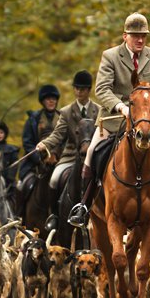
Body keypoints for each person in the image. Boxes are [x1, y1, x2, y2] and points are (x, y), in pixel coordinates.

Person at [67, 12, 150, 228]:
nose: (140, 40)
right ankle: (84, 206)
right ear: (125, 36)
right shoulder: (110, 56)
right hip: (114, 120)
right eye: (135, 36)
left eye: (143, 35)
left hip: (146, 120)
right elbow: (102, 89)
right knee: (91, 153)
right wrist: (121, 106)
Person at [36, 71, 100, 231]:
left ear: (88, 90)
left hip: (94, 157)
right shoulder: (66, 111)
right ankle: (54, 216)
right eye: (76, 88)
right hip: (72, 156)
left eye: (83, 89)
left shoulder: (99, 110)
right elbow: (58, 134)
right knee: (54, 179)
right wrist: (45, 144)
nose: (79, 92)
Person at [14, 85, 62, 212]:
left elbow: (66, 141)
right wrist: (38, 158)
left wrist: (59, 157)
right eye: (48, 99)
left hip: (58, 160)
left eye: (53, 98)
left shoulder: (63, 118)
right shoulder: (33, 119)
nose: (51, 101)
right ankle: (19, 215)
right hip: (35, 164)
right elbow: (27, 143)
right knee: (21, 185)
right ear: (42, 101)